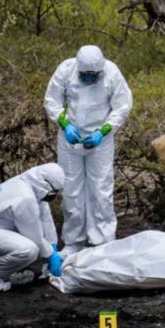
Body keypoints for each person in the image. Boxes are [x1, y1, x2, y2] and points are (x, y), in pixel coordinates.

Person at [43, 45, 132, 254]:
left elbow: (122, 106)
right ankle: (74, 240)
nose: (89, 79)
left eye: (93, 75)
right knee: (71, 189)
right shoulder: (66, 70)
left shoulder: (112, 73)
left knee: (101, 189)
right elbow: (52, 100)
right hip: (70, 138)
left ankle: (103, 240)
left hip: (100, 139)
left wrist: (104, 130)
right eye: (85, 75)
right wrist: (64, 124)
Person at [0, 163, 66, 292]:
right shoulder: (25, 197)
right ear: (45, 184)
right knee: (29, 249)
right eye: (55, 191)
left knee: (36, 247)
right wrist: (51, 255)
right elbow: (35, 236)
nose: (55, 194)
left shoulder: (32, 186)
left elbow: (45, 218)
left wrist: (53, 245)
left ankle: (7, 270)